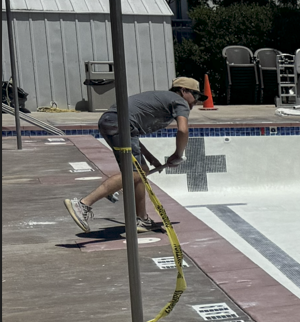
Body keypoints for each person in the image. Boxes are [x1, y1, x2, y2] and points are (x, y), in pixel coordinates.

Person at [65, 77, 204, 233]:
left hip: (112, 122)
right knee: (135, 173)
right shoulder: (180, 102)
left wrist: (150, 157)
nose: (196, 102)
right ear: (184, 91)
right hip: (119, 124)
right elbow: (183, 130)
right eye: (196, 96)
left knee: (140, 171)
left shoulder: (163, 99)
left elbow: (132, 130)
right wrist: (178, 154)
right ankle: (83, 204)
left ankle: (142, 219)